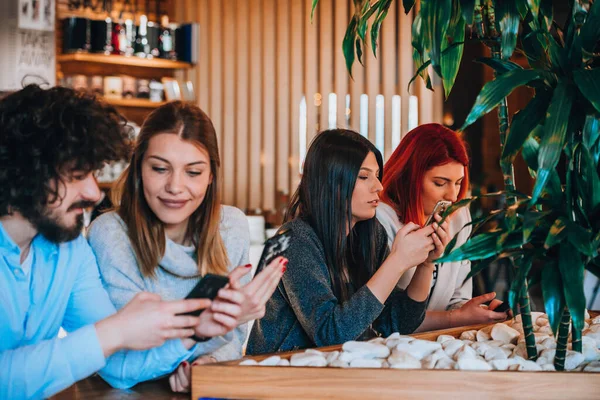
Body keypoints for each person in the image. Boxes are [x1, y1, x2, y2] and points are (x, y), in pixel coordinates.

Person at [0, 85, 244, 399]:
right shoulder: (97, 237)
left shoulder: (69, 250)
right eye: (76, 174)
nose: (93, 193)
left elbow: (118, 368)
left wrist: (194, 333)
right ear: (24, 172)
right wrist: (113, 332)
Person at [87, 101, 286, 392]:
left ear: (211, 176)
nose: (175, 187)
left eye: (193, 172)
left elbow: (234, 336)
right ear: (138, 169)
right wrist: (199, 338)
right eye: (159, 168)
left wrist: (209, 364)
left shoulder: (230, 226)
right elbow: (120, 366)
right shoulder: (110, 234)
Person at [246, 129, 443, 355]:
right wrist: (397, 262)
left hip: (335, 373)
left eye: (378, 175)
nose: (379, 186)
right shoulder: (294, 241)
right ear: (332, 183)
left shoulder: (370, 235)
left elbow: (398, 324)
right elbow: (330, 335)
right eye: (364, 176)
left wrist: (426, 265)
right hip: (279, 377)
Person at [377, 123, 507, 332]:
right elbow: (384, 320)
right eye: (440, 183)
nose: (453, 196)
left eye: (458, 183)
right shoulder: (380, 221)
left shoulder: (458, 216)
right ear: (410, 177)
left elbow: (457, 297)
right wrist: (456, 318)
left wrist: (473, 311)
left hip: (442, 342)